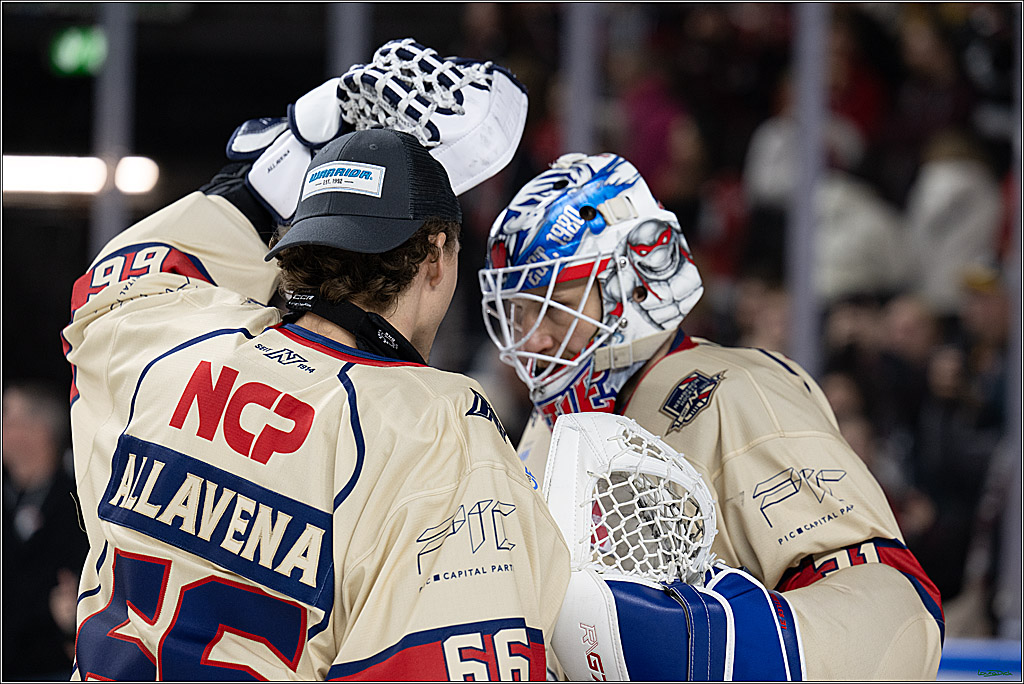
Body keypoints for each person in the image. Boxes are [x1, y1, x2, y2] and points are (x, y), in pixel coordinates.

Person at [63, 42, 569, 680]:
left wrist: (282, 154)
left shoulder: (171, 342)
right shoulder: (442, 433)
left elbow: (122, 277)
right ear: (438, 255)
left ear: (296, 246)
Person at [478, 152, 944, 679]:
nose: (532, 339)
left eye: (555, 307)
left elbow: (899, 610)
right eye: (518, 311)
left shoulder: (737, 393)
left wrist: (727, 650)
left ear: (634, 286)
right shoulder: (548, 427)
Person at [2, 382, 89, 680]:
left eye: (6, 415)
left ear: (37, 430)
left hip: (51, 668)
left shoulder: (79, 505)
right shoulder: (9, 497)